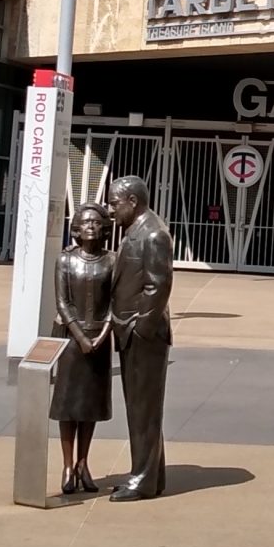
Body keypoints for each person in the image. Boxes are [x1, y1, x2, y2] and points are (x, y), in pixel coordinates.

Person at [106, 174, 174, 501]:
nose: (110, 210)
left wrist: (138, 329)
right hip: (131, 329)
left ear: (132, 202)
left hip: (143, 334)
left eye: (114, 203)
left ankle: (142, 480)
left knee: (143, 410)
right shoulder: (135, 230)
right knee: (142, 409)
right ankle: (151, 474)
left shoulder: (153, 234)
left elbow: (158, 286)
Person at [50, 202, 115, 496]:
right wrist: (80, 335)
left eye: (96, 222)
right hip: (72, 340)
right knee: (68, 405)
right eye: (85, 222)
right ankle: (66, 464)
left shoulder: (112, 261)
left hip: (99, 338)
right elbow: (62, 303)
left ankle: (83, 463)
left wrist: (102, 335)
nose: (91, 226)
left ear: (104, 227)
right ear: (76, 228)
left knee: (89, 406)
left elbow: (117, 303)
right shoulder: (65, 261)